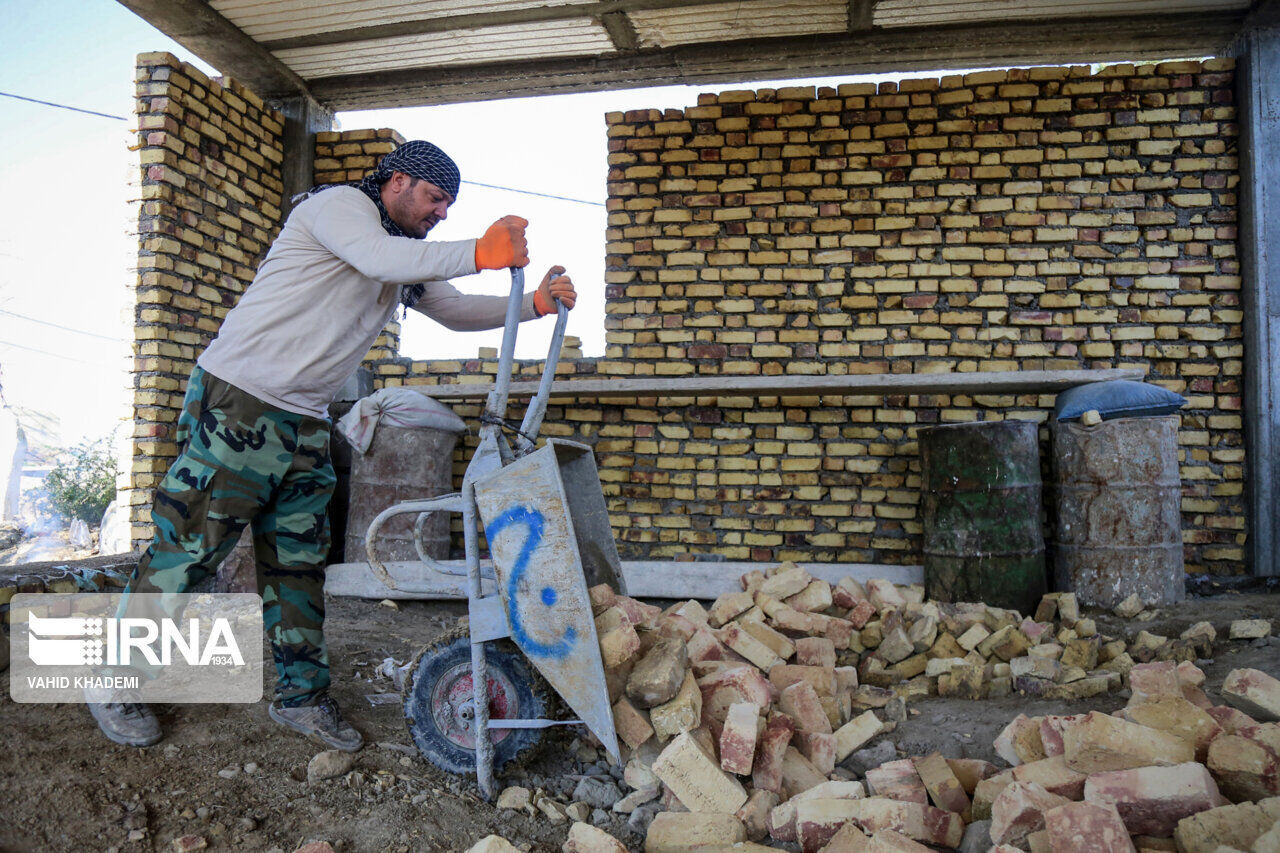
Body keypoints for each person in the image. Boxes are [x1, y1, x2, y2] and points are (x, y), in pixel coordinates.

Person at [87, 140, 577, 751]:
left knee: (296, 566)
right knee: (190, 550)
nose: (441, 213)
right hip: (243, 398)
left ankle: (302, 699)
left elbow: (451, 309)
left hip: (304, 418)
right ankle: (114, 679)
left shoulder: (407, 255)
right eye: (433, 198)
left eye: (449, 205)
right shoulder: (339, 208)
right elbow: (377, 258)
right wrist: (479, 251)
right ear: (397, 182)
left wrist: (531, 304)